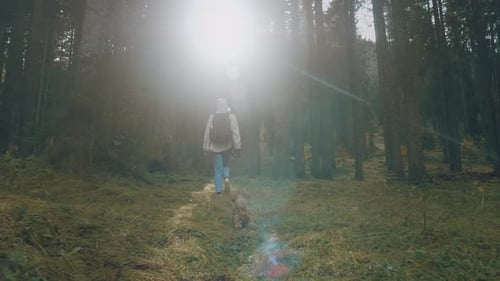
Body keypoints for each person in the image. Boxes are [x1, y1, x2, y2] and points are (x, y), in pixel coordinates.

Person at [203, 97, 241, 195]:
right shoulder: (231, 116)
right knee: (226, 164)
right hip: (227, 145)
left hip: (215, 146)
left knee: (217, 169)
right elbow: (235, 132)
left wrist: (206, 146)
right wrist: (237, 147)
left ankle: (218, 192)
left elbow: (207, 132)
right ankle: (227, 178)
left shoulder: (212, 117)